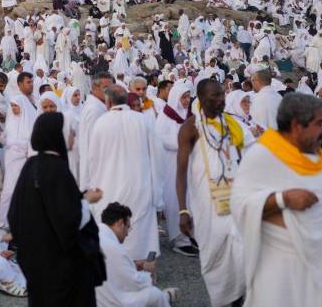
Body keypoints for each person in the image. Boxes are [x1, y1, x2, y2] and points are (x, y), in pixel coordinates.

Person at [231, 94, 322, 306]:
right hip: (280, 265)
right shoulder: (262, 156)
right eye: (319, 124)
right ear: (297, 126)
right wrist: (283, 199)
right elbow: (239, 205)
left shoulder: (316, 154)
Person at [9, 112, 104, 306]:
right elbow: (68, 220)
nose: (73, 136)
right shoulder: (57, 169)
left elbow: (16, 214)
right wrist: (85, 202)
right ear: (57, 135)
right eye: (69, 132)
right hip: (60, 267)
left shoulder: (31, 165)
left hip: (36, 263)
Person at [176, 79, 247, 306]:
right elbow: (181, 171)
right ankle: (224, 298)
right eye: (214, 97)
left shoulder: (233, 124)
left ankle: (242, 297)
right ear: (201, 98)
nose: (220, 101)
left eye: (222, 96)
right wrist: (183, 210)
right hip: (207, 204)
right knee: (214, 255)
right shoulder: (190, 128)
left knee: (242, 252)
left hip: (236, 199)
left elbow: (245, 156)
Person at [88, 84, 159, 261]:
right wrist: (158, 191)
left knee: (114, 232)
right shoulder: (143, 121)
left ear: (108, 102)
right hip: (140, 185)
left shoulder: (101, 123)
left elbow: (93, 161)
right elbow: (157, 157)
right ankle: (146, 271)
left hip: (109, 186)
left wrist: (93, 187)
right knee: (141, 233)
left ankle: (117, 270)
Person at [96, 202, 178, 307]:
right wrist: (148, 273)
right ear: (120, 223)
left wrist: (135, 265)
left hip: (90, 296)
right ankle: (164, 297)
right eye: (128, 227)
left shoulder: (94, 234)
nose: (127, 233)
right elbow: (135, 284)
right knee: (154, 294)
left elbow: (112, 266)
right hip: (108, 302)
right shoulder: (115, 248)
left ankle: (165, 296)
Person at [155, 80, 199, 256]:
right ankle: (179, 238)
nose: (187, 100)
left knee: (191, 199)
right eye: (184, 97)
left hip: (189, 164)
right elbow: (162, 139)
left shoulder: (189, 116)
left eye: (188, 97)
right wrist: (184, 143)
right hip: (172, 165)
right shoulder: (165, 116)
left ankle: (191, 235)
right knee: (175, 201)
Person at [0, 71, 37, 223]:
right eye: (28, 82)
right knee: (10, 189)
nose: (31, 84)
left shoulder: (33, 101)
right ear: (20, 84)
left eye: (32, 82)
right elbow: (14, 127)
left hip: (30, 152)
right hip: (16, 152)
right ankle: (5, 222)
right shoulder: (18, 100)